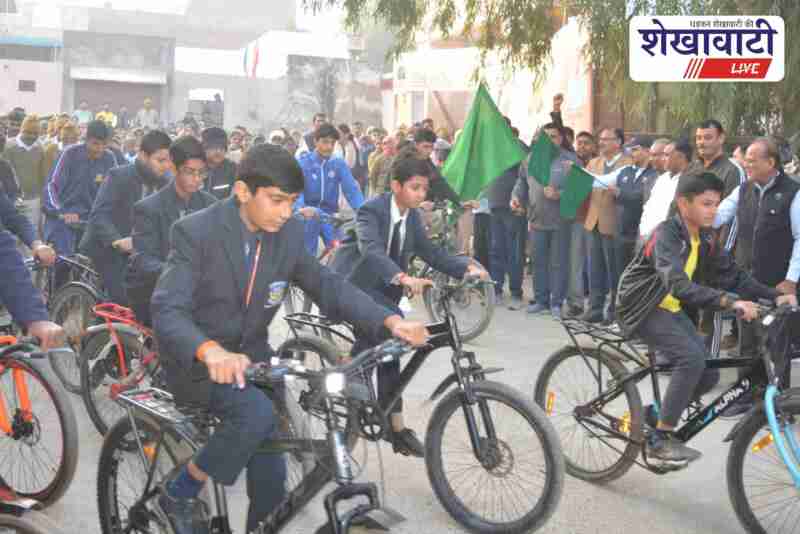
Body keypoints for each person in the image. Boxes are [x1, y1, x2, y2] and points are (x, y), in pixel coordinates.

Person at [151, 143, 427, 533]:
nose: (286, 212)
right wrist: (210, 351)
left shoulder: (288, 233)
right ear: (243, 191)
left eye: (293, 202)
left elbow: (328, 285)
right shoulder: (196, 232)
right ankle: (180, 489)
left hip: (256, 365)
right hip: (198, 365)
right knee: (257, 415)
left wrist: (389, 322)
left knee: (272, 482)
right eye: (277, 200)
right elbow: (167, 310)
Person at [617, 172, 796, 464]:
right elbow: (678, 284)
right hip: (642, 308)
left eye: (716, 204)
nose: (713, 210)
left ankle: (659, 415)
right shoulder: (666, 235)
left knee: (709, 371)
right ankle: (660, 439)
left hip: (671, 308)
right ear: (683, 204)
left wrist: (774, 296)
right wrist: (729, 301)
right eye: (706, 204)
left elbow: (735, 276)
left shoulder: (706, 238)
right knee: (691, 359)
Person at [330, 154, 488, 457]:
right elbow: (372, 250)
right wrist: (401, 276)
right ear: (396, 185)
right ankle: (370, 406)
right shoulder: (370, 211)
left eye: (424, 189)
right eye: (415, 187)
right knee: (391, 335)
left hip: (383, 291)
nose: (421, 194)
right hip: (354, 286)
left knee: (390, 351)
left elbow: (430, 252)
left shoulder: (412, 216)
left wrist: (465, 267)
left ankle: (393, 424)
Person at [711, 137, 800, 416]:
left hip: (777, 282)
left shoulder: (793, 192)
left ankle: (779, 403)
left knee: (776, 342)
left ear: (770, 162)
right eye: (746, 159)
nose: (746, 164)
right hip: (747, 279)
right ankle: (746, 394)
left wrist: (791, 279)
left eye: (752, 159)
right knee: (747, 340)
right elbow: (718, 215)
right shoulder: (743, 189)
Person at [126, 136, 216, 326]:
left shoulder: (211, 206)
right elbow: (142, 259)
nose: (197, 179)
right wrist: (180, 273)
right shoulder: (149, 208)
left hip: (198, 294)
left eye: (202, 173)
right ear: (174, 169)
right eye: (190, 172)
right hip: (156, 291)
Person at [80, 130, 172, 305]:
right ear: (143, 156)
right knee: (123, 300)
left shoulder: (165, 183)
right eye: (161, 160)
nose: (166, 166)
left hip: (141, 254)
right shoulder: (119, 176)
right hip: (107, 249)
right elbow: (99, 215)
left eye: (169, 161)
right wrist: (117, 240)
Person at [512, 124, 579, 318]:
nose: (550, 140)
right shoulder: (530, 160)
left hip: (561, 221)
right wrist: (516, 197)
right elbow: (521, 183)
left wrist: (560, 194)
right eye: (545, 136)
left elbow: (581, 190)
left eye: (554, 136)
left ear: (561, 139)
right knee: (538, 261)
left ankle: (556, 302)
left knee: (558, 262)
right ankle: (541, 301)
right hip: (536, 219)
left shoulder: (570, 161)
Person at [43, 120, 117, 255]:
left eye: (104, 144)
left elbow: (115, 191)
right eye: (95, 143)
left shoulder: (109, 158)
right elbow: (51, 186)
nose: (99, 149)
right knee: (64, 261)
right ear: (86, 140)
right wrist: (61, 212)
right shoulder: (70, 154)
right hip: (63, 218)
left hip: (91, 220)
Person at [582, 127, 632, 323]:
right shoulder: (594, 162)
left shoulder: (628, 163)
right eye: (600, 139)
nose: (601, 143)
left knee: (614, 271)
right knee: (595, 268)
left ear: (618, 142)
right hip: (593, 221)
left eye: (606, 139)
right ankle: (594, 309)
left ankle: (613, 312)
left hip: (614, 223)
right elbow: (583, 183)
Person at [295, 123, 365, 256]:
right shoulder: (303, 163)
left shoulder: (338, 163)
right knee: (308, 255)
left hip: (328, 216)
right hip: (308, 214)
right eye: (325, 142)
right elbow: (297, 192)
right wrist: (301, 209)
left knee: (340, 250)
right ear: (316, 141)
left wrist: (364, 211)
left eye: (332, 143)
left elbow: (352, 191)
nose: (329, 147)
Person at [640, 139, 692, 240]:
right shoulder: (662, 179)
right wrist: (643, 232)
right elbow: (648, 208)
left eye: (667, 155)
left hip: (670, 241)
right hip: (647, 238)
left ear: (681, 157)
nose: (663, 159)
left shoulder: (690, 181)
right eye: (663, 155)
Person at [3, 114, 46, 228]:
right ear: (22, 130)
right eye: (28, 132)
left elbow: (42, 175)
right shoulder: (8, 147)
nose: (31, 136)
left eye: (35, 134)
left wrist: (42, 197)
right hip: (12, 199)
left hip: (33, 199)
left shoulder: (40, 149)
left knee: (30, 231)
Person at [201, 127, 237, 200]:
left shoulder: (232, 169)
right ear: (204, 148)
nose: (218, 152)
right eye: (214, 148)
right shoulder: (195, 167)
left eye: (222, 148)